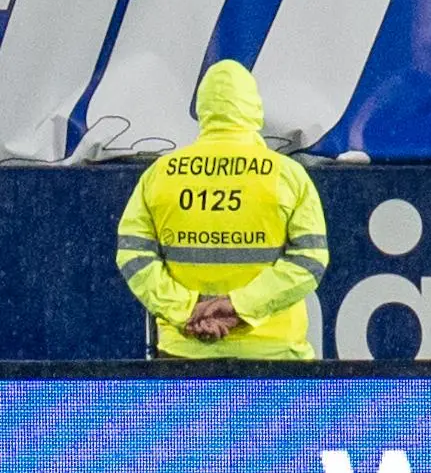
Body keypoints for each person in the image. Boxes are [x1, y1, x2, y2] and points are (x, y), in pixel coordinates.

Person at [116, 60, 330, 361]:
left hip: (183, 354)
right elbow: (310, 260)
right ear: (255, 108)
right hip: (275, 357)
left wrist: (186, 310)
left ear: (201, 109)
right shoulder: (287, 175)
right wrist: (239, 307)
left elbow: (133, 255)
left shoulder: (160, 174)